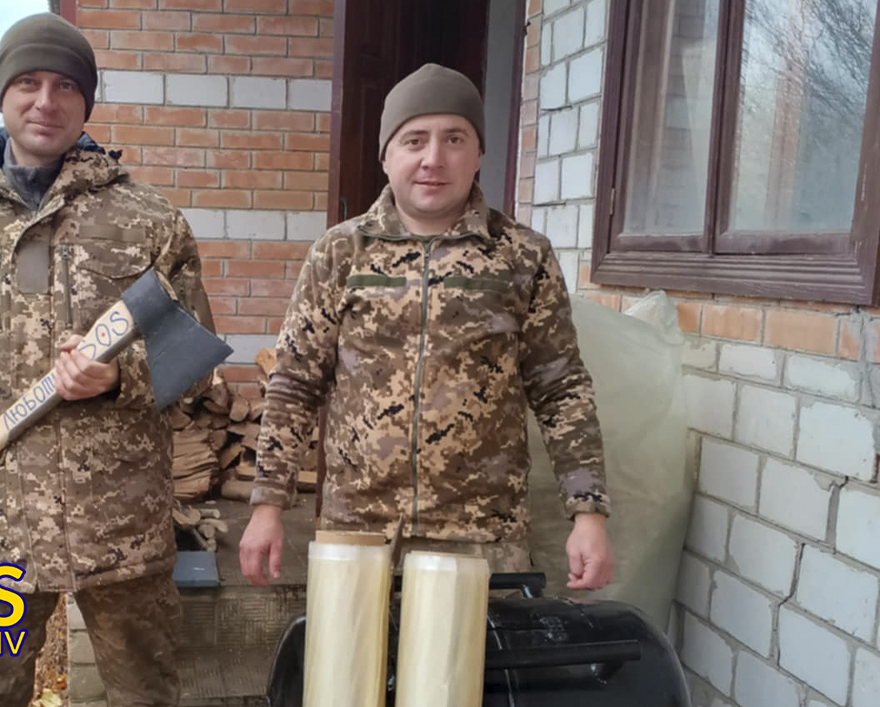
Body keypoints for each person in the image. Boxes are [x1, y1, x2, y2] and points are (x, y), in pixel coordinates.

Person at [0, 13, 213, 707]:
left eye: (66, 86)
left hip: (121, 526)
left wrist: (119, 379)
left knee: (147, 706)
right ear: (3, 94)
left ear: (87, 102)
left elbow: (195, 360)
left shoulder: (149, 220)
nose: (46, 101)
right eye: (27, 82)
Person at [238, 63, 614, 590]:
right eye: (414, 140)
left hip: (481, 536)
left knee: (474, 650)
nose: (433, 159)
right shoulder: (341, 252)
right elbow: (295, 384)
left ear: (478, 153)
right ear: (386, 155)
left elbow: (561, 389)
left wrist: (588, 512)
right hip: (358, 532)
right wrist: (268, 506)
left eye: (454, 139)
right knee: (349, 649)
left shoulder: (522, 256)